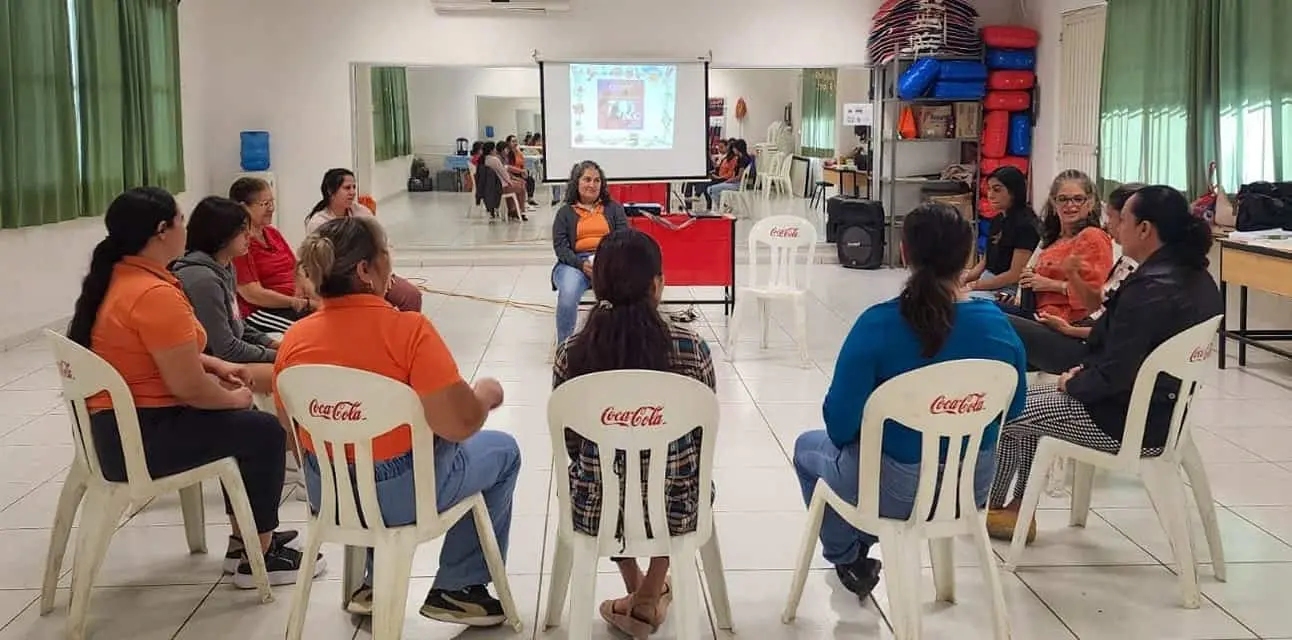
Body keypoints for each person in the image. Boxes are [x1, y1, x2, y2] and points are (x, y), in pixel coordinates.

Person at [67, 187, 320, 589]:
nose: (187, 230)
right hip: (139, 438)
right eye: (181, 221)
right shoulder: (154, 294)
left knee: (243, 420)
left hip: (117, 428)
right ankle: (260, 556)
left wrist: (214, 363)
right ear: (163, 230)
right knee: (263, 431)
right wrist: (234, 397)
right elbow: (190, 389)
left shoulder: (121, 277)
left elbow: (158, 354)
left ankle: (246, 541)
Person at [276, 215, 519, 626]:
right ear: (365, 270)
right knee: (503, 451)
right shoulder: (407, 331)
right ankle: (459, 588)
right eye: (386, 252)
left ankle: (375, 583)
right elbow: (458, 425)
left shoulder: (295, 340)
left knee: (365, 450)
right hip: (402, 495)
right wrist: (486, 394)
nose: (392, 260)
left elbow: (291, 430)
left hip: (329, 493)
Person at [793, 203, 1027, 600]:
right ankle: (858, 542)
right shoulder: (998, 326)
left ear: (904, 252)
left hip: (893, 489)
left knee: (807, 448)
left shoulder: (878, 323)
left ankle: (848, 555)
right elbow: (1015, 408)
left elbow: (839, 424)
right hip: (969, 487)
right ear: (968, 257)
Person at [987, 185, 1223, 542]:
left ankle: (999, 509)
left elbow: (1115, 372)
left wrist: (1073, 382)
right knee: (1025, 400)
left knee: (1011, 409)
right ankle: (1009, 509)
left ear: (1145, 228)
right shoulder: (1193, 276)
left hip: (1123, 421)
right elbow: (1124, 353)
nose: (1116, 229)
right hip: (1161, 413)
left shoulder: (1150, 289)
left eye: (1122, 220)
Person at [553, 229, 714, 637]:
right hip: (678, 508)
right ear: (657, 285)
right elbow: (701, 442)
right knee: (682, 477)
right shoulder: (691, 349)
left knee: (604, 475)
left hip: (595, 510)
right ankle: (652, 588)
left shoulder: (572, 353)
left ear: (596, 284)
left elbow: (572, 447)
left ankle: (638, 591)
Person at [1006, 182, 1146, 374]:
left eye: (1077, 199)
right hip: (1068, 328)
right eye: (1062, 199)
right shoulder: (1130, 264)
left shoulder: (1143, 276)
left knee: (991, 321)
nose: (1108, 224)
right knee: (985, 314)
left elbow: (1116, 332)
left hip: (1085, 349)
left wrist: (1067, 327)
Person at [171, 196, 277, 392]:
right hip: (212, 367)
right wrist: (276, 355)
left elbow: (237, 323)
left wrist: (271, 343)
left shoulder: (226, 266)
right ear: (220, 235)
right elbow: (226, 349)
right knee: (287, 373)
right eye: (241, 231)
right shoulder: (203, 280)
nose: (249, 236)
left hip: (226, 358)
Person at [304, 168, 424, 312]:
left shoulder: (362, 212)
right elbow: (324, 262)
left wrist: (385, 273)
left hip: (373, 273)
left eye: (354, 187)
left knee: (411, 296)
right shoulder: (319, 223)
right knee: (372, 306)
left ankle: (403, 334)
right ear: (331, 191)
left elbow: (383, 243)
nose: (353, 192)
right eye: (347, 188)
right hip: (341, 282)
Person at [999, 170, 1113, 322]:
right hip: (1037, 315)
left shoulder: (1093, 237)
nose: (1070, 205)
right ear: (1053, 203)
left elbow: (1095, 297)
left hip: (1065, 325)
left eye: (1078, 199)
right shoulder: (1052, 240)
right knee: (976, 308)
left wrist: (1049, 284)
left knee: (982, 315)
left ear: (1090, 203)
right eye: (1063, 199)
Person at [551, 160, 629, 344]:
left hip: (608, 261)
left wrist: (605, 262)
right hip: (573, 263)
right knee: (568, 294)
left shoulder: (614, 209)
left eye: (596, 180)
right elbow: (561, 248)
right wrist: (581, 264)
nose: (592, 185)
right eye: (587, 179)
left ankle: (621, 343)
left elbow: (624, 239)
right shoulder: (565, 213)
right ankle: (565, 348)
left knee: (628, 291)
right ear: (576, 183)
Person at [227, 177, 315, 335]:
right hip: (261, 310)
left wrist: (314, 298)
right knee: (310, 332)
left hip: (294, 303)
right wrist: (300, 303)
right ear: (243, 208)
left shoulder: (272, 233)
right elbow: (253, 294)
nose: (271, 208)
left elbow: (297, 269)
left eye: (272, 202)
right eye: (265, 204)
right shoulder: (238, 243)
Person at [963, 166, 1040, 299]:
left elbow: (1015, 275)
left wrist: (975, 286)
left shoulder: (1026, 226)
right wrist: (963, 279)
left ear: (1014, 191)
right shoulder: (997, 220)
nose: (990, 195)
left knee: (962, 304)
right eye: (989, 189)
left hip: (1008, 288)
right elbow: (985, 262)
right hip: (987, 281)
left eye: (997, 190)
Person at [479, 142, 528, 221]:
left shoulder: (484, 160)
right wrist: (511, 182)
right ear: (491, 150)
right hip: (500, 187)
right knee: (521, 188)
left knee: (517, 185)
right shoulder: (494, 160)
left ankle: (512, 210)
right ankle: (520, 211)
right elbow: (504, 173)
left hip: (491, 186)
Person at [705, 139, 751, 213]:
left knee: (710, 189)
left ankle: (723, 207)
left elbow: (739, 177)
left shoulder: (742, 160)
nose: (733, 150)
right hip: (737, 183)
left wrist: (728, 181)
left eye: (734, 148)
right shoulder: (746, 158)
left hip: (737, 184)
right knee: (712, 189)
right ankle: (723, 207)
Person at [502, 135, 538, 207]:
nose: (515, 143)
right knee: (522, 182)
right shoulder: (507, 154)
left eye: (516, 141)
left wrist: (524, 171)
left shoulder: (519, 152)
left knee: (530, 180)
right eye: (513, 141)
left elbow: (522, 164)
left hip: (520, 172)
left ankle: (530, 198)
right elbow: (507, 167)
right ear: (508, 143)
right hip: (512, 174)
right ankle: (521, 204)